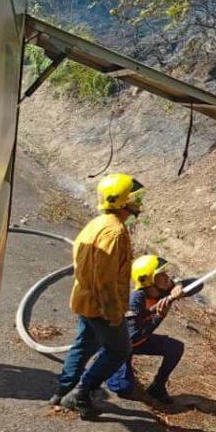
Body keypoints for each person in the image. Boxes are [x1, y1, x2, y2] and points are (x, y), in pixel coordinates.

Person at [49, 173, 144, 417]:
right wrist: (113, 313)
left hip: (85, 300)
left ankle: (62, 391)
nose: (139, 201)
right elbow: (105, 279)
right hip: (102, 307)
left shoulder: (97, 223)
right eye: (134, 197)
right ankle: (81, 393)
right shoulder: (114, 233)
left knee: (84, 344)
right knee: (119, 351)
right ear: (121, 201)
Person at [106, 254, 203, 404]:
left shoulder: (162, 289)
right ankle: (106, 365)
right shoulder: (134, 302)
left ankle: (157, 387)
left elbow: (198, 284)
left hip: (139, 340)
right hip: (121, 345)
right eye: (161, 274)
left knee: (175, 348)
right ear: (149, 280)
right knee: (123, 387)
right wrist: (159, 317)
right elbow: (134, 337)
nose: (166, 277)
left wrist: (179, 286)